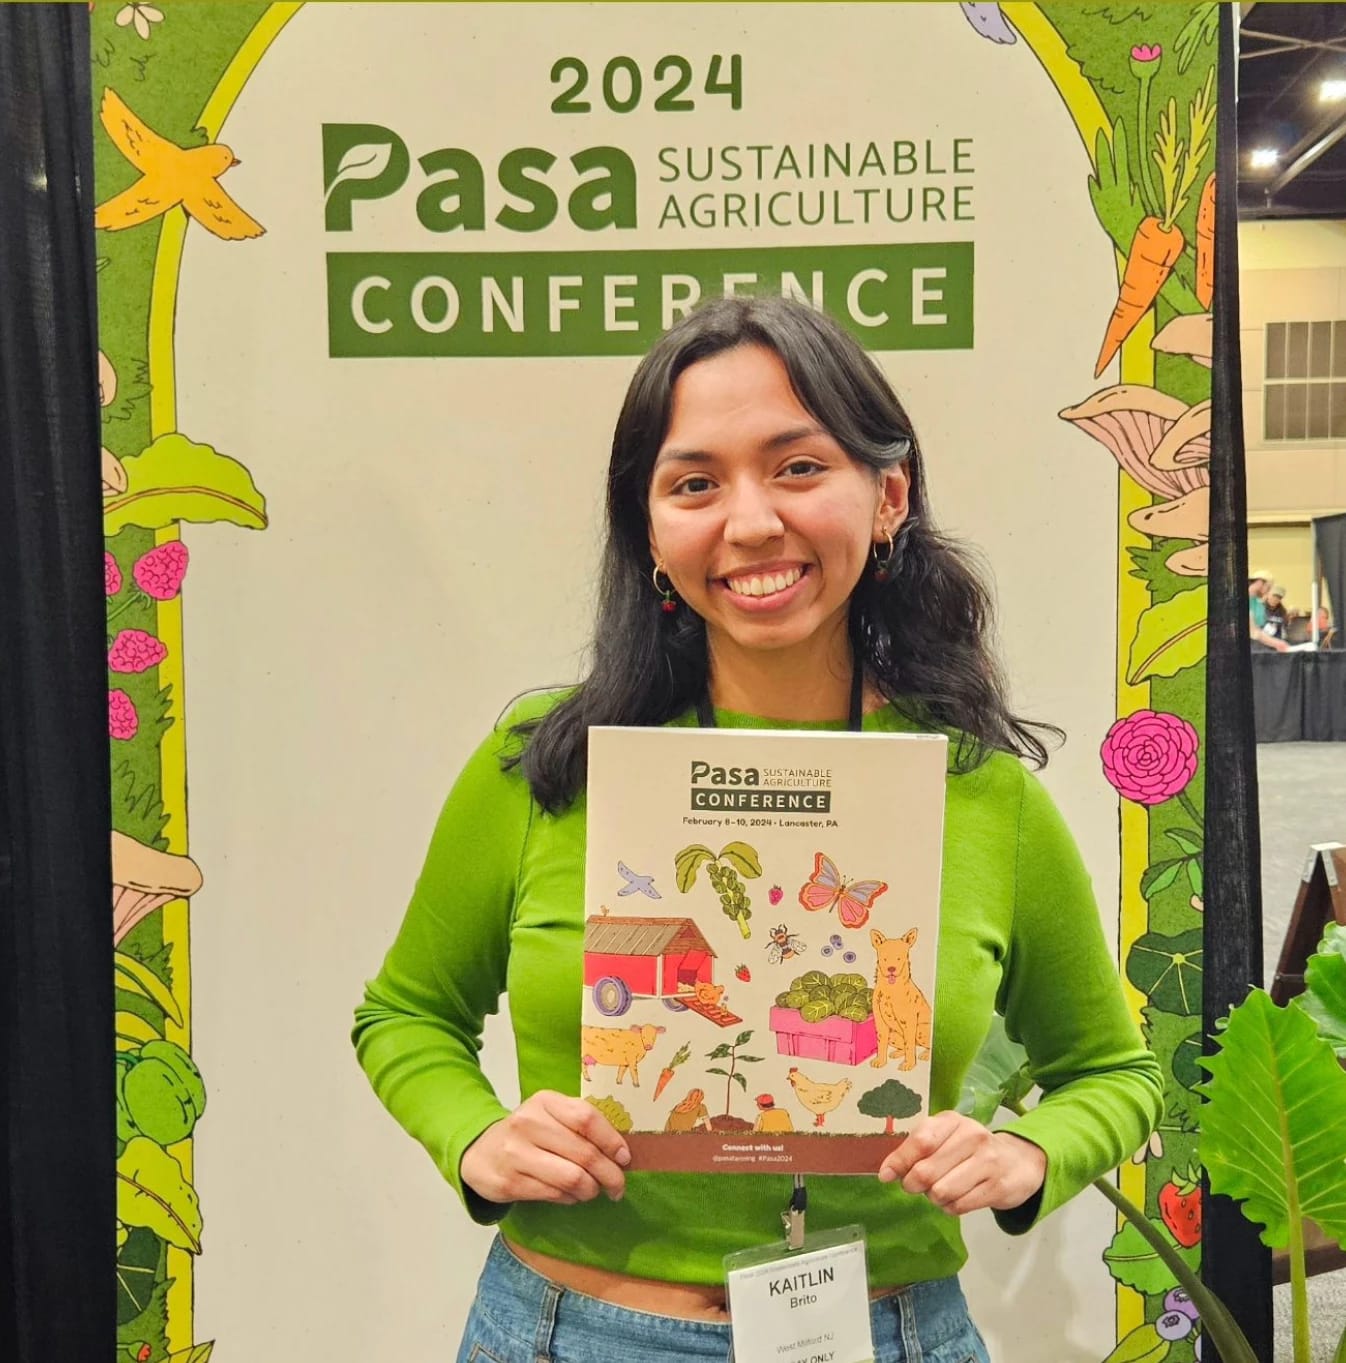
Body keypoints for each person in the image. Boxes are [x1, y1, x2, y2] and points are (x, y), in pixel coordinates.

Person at [352, 297, 1163, 1363]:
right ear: (648, 530)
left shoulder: (978, 792)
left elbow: (1116, 1071)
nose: (748, 523)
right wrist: (475, 1137)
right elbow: (406, 1014)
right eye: (694, 483)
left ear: (887, 495)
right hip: (562, 1330)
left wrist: (1025, 1157)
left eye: (795, 467)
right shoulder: (546, 763)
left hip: (886, 1333)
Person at [1249, 570, 1290, 652]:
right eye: (1268, 587)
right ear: (1260, 583)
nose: (1268, 591)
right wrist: (1277, 643)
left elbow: (1256, 631)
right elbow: (1254, 632)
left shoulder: (1255, 602)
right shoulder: (1244, 600)